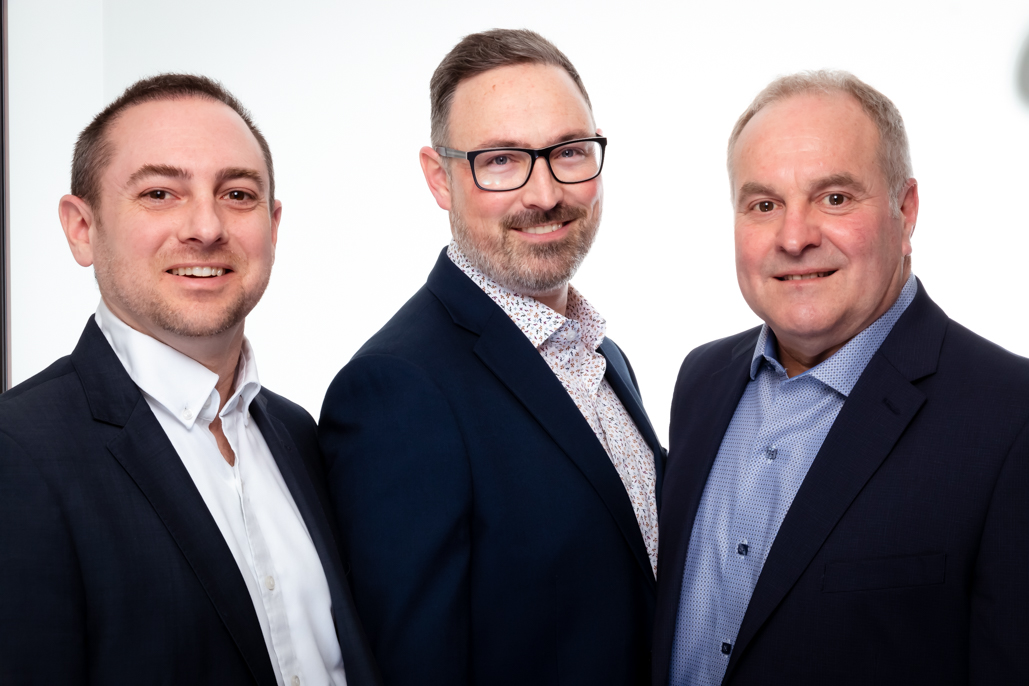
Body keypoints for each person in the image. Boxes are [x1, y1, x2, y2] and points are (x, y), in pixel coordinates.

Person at [0, 74, 379, 686]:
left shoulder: (299, 434)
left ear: (273, 225)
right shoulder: (17, 454)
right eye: (159, 193)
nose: (206, 227)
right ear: (81, 228)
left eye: (237, 194)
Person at [653, 70, 1028, 686]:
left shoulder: (1011, 418)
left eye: (834, 198)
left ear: (905, 210)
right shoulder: (700, 382)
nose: (794, 237)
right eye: (764, 205)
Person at [319, 29, 664, 686]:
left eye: (568, 152)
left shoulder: (603, 356)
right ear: (439, 178)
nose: (544, 194)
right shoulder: (395, 391)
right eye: (501, 160)